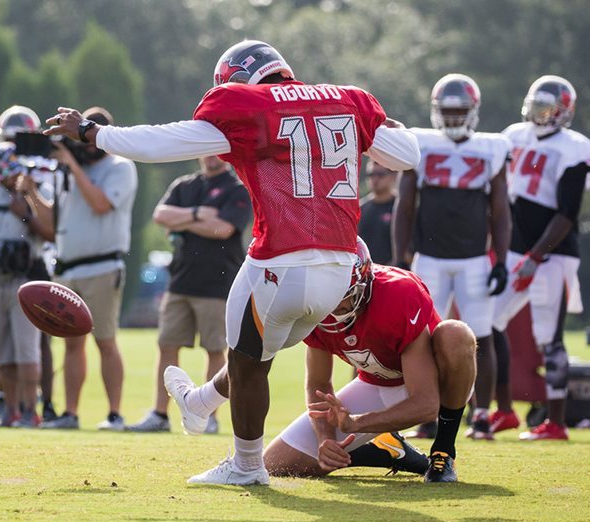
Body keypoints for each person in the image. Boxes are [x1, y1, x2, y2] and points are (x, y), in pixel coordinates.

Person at [44, 40, 419, 484]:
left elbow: (163, 142)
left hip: (281, 257)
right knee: (253, 355)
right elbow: (408, 156)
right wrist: (387, 128)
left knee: (247, 360)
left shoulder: (245, 104)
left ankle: (245, 465)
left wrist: (92, 131)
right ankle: (200, 402)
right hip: (340, 267)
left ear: (236, 78)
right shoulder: (348, 98)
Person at [167, 239, 476, 482]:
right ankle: (383, 449)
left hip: (428, 381)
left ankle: (443, 452)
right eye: (328, 292)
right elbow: (317, 385)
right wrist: (326, 439)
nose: (333, 303)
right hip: (376, 384)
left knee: (455, 335)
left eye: (343, 292)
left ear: (363, 281)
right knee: (276, 465)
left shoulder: (399, 293)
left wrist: (357, 422)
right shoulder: (311, 304)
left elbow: (425, 402)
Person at [392, 74, 512, 440]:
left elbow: (500, 209)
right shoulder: (421, 144)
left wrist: (502, 260)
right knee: (421, 338)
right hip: (429, 258)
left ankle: (481, 415)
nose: (455, 118)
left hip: (475, 258)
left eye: (461, 111)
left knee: (481, 336)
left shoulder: (492, 148)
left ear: (473, 112)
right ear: (436, 111)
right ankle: (428, 414)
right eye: (449, 111)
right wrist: (399, 259)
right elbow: (405, 204)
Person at [491, 76, 590, 440]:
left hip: (553, 254)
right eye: (537, 104)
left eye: (548, 106)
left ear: (564, 111)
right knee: (488, 322)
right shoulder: (513, 135)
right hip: (519, 248)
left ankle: (556, 421)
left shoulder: (575, 147)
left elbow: (567, 212)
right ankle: (503, 411)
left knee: (549, 337)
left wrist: (536, 256)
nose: (540, 113)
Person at [126, 155, 252, 433]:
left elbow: (223, 229)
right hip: (180, 280)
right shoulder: (184, 185)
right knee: (167, 345)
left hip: (218, 283)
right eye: (206, 150)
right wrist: (198, 215)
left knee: (216, 349)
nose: (210, 156)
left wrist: (182, 220)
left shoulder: (237, 188)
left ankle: (210, 417)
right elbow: (160, 215)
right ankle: (159, 414)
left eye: (217, 150)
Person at [39, 107, 138, 432]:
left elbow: (99, 203)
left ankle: (114, 414)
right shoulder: (68, 171)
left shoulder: (120, 166)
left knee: (105, 340)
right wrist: (28, 191)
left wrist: (71, 166)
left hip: (103, 265)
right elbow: (51, 223)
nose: (86, 145)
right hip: (67, 268)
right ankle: (70, 413)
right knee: (70, 344)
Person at [0, 142, 50, 428]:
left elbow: (49, 232)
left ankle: (31, 409)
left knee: (26, 349)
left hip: (24, 281)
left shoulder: (34, 193)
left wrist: (25, 212)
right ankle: (10, 408)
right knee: (1, 350)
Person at [357, 159, 397, 265]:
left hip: (394, 274)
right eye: (371, 174)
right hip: (366, 273)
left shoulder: (401, 209)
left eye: (380, 174)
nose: (375, 179)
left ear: (393, 176)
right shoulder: (360, 208)